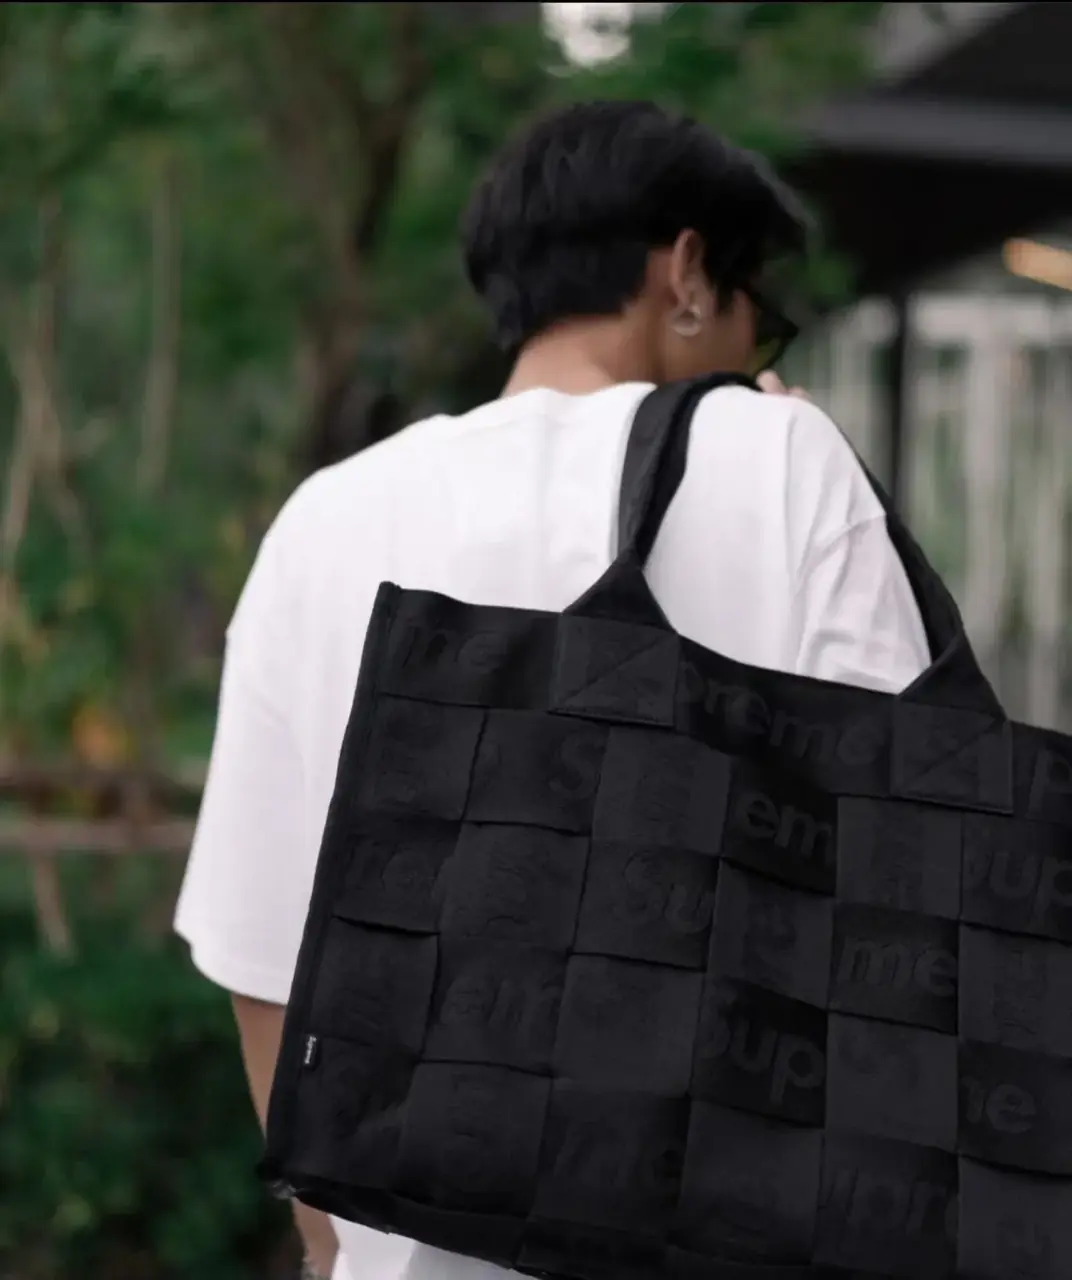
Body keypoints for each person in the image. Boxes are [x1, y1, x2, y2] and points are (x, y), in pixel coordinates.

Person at [174, 100, 930, 1280]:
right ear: (687, 273)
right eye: (762, 318)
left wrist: (338, 1245)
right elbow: (910, 870)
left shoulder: (322, 519)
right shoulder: (781, 456)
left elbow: (262, 959)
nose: (755, 356)